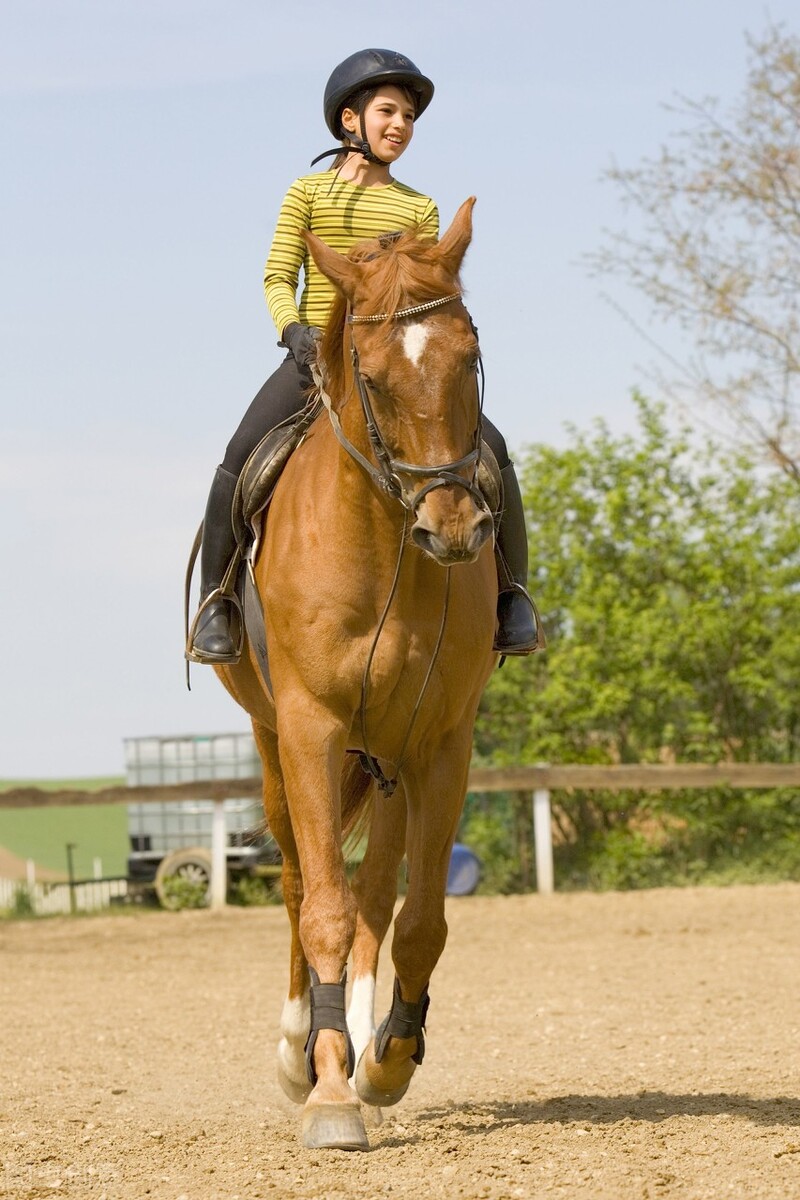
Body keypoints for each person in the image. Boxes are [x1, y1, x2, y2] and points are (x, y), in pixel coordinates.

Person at [187, 48, 542, 664]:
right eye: (387, 112)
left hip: (394, 371)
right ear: (350, 120)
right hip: (314, 364)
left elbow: (426, 294)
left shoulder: (418, 207)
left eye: (408, 115)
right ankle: (217, 600)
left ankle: (511, 596)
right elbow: (277, 277)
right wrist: (294, 330)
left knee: (493, 451)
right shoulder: (308, 192)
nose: (400, 124)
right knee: (240, 455)